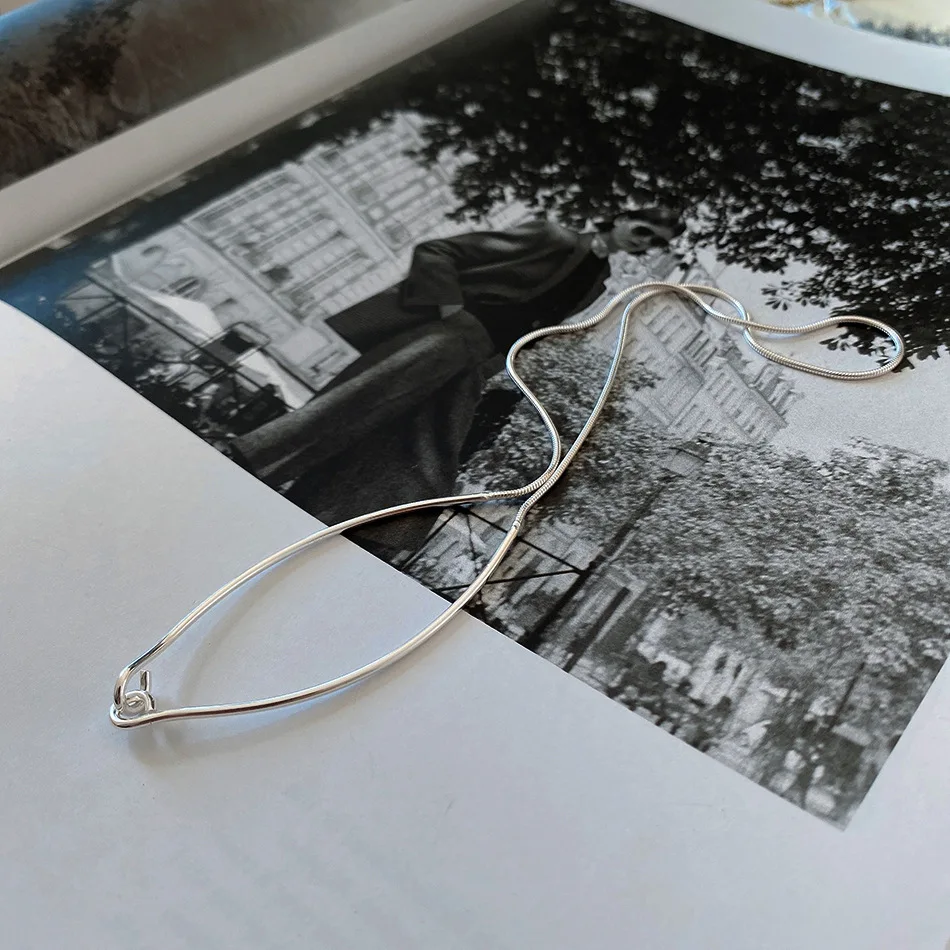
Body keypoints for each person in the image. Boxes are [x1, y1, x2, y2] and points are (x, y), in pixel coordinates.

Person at [230, 210, 681, 558]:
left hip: (476, 361)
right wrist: (451, 311)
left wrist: (494, 364)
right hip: (445, 338)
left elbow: (540, 328)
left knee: (429, 448)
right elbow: (437, 251)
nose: (643, 243)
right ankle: (250, 459)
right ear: (621, 217)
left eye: (654, 242)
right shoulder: (553, 235)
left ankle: (354, 530)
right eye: (643, 230)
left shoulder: (599, 282)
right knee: (354, 407)